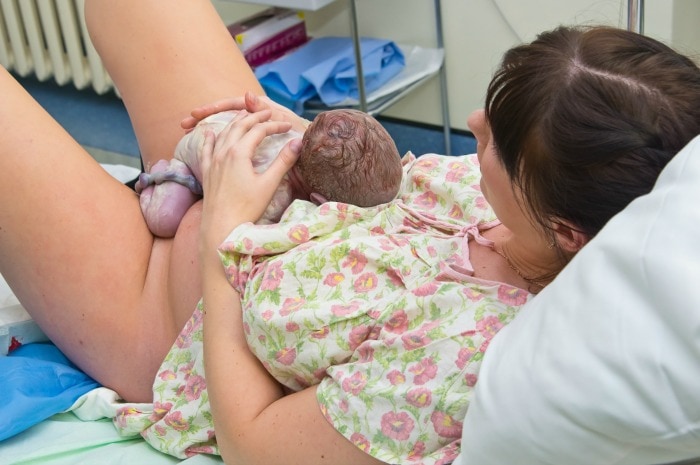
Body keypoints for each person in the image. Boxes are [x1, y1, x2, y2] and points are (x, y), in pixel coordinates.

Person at [0, 0, 697, 461]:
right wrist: (296, 140)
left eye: (493, 143)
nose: (474, 128)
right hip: (252, 188)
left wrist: (225, 231)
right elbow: (388, 191)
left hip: (166, 313)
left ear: (568, 229)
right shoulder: (518, 206)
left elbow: (253, 446)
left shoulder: (452, 374)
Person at [136, 105, 403, 237]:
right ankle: (162, 175)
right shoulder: (274, 196)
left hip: (233, 122)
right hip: (202, 144)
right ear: (320, 202)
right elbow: (237, 238)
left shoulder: (303, 134)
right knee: (165, 220)